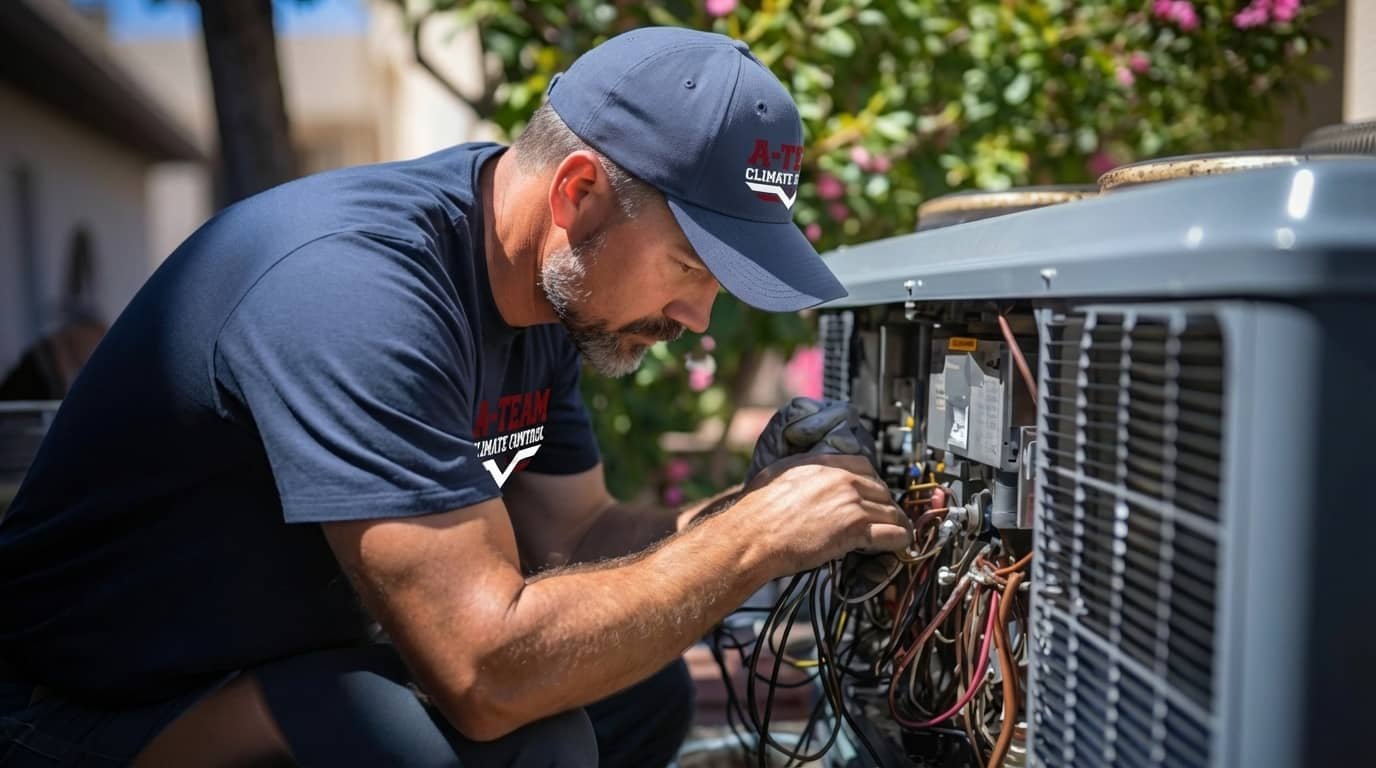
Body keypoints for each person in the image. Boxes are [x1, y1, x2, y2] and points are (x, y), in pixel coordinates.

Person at [0, 27, 910, 767]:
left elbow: (581, 538)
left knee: (637, 693)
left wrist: (757, 507)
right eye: (689, 265)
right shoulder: (354, 293)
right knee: (527, 739)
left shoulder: (545, 291)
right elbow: (485, 675)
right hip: (83, 709)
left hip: (281, 663)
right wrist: (755, 540)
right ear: (580, 192)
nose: (697, 317)